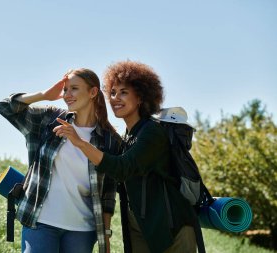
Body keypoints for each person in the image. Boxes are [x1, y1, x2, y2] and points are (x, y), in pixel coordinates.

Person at [54, 61, 199, 253]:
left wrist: (80, 143)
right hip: (142, 227)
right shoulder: (129, 136)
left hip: (171, 228)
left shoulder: (152, 132)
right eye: (112, 93)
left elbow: (123, 168)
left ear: (140, 97)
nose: (115, 98)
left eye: (123, 92)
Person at [0, 68, 121, 253]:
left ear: (93, 92)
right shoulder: (50, 118)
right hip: (40, 220)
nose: (67, 95)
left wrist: (106, 236)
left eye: (74, 89)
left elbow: (108, 194)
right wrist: (43, 95)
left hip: (82, 230)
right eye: (65, 89)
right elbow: (4, 106)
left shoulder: (110, 140)